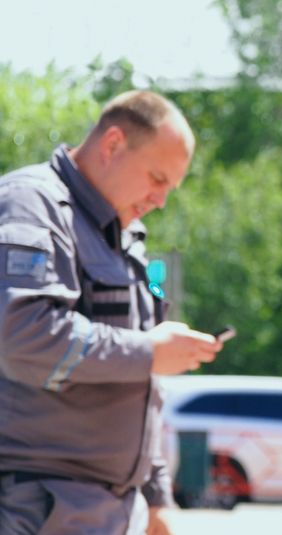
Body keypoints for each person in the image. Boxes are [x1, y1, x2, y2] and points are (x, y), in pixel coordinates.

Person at [0, 90, 222, 535]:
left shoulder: (126, 232)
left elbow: (139, 383)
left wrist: (156, 494)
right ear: (113, 143)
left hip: (115, 509)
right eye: (157, 178)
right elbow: (22, 336)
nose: (160, 200)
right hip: (41, 506)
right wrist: (148, 351)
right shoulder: (32, 204)